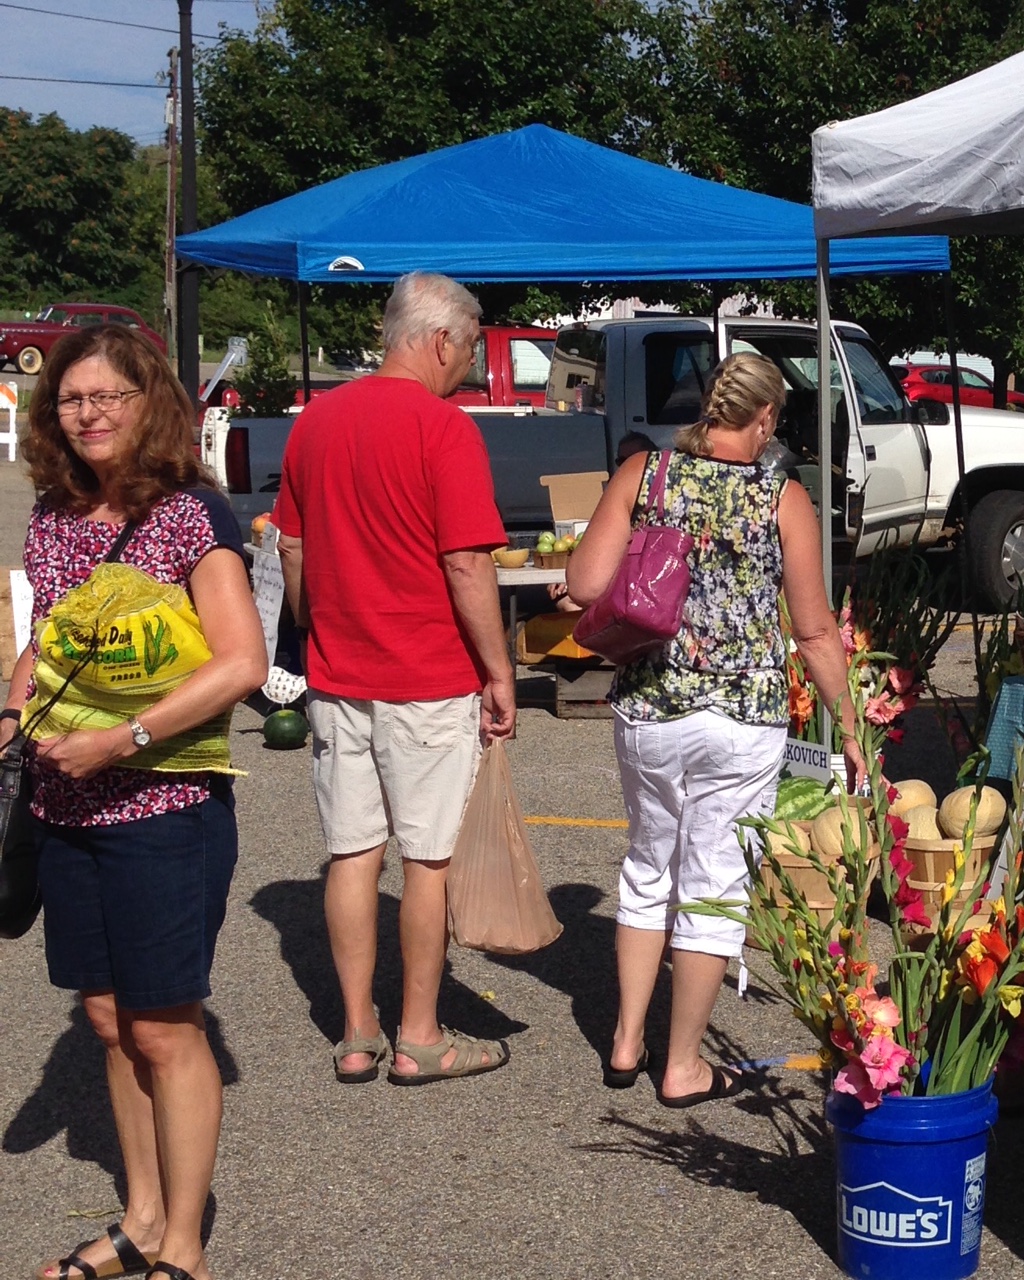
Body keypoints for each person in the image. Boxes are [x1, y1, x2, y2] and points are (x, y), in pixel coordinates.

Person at [0, 326, 267, 1280]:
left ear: (150, 402)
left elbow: (243, 662)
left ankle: (183, 1245)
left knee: (162, 1025)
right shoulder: (55, 514)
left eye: (109, 396)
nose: (90, 413)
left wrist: (122, 740)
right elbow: (49, 646)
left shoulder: (191, 515)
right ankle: (142, 1220)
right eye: (73, 399)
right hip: (65, 810)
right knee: (109, 1020)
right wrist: (11, 713)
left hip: (167, 808)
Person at [566, 352, 866, 1108]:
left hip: (651, 705)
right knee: (712, 883)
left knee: (648, 866)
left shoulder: (646, 474)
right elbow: (814, 631)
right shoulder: (782, 497)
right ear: (764, 418)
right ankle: (684, 1066)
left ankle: (626, 1041)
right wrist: (850, 726)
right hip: (742, 719)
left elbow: (584, 583)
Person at [274, 271, 516, 1087]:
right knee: (426, 860)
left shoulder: (315, 422)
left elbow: (292, 548)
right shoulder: (443, 428)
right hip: (427, 673)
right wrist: (499, 670)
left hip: (337, 671)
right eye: (470, 349)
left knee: (351, 853)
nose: (470, 366)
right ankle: (420, 1035)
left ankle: (356, 1032)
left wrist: (315, 628)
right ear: (440, 340)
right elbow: (466, 563)